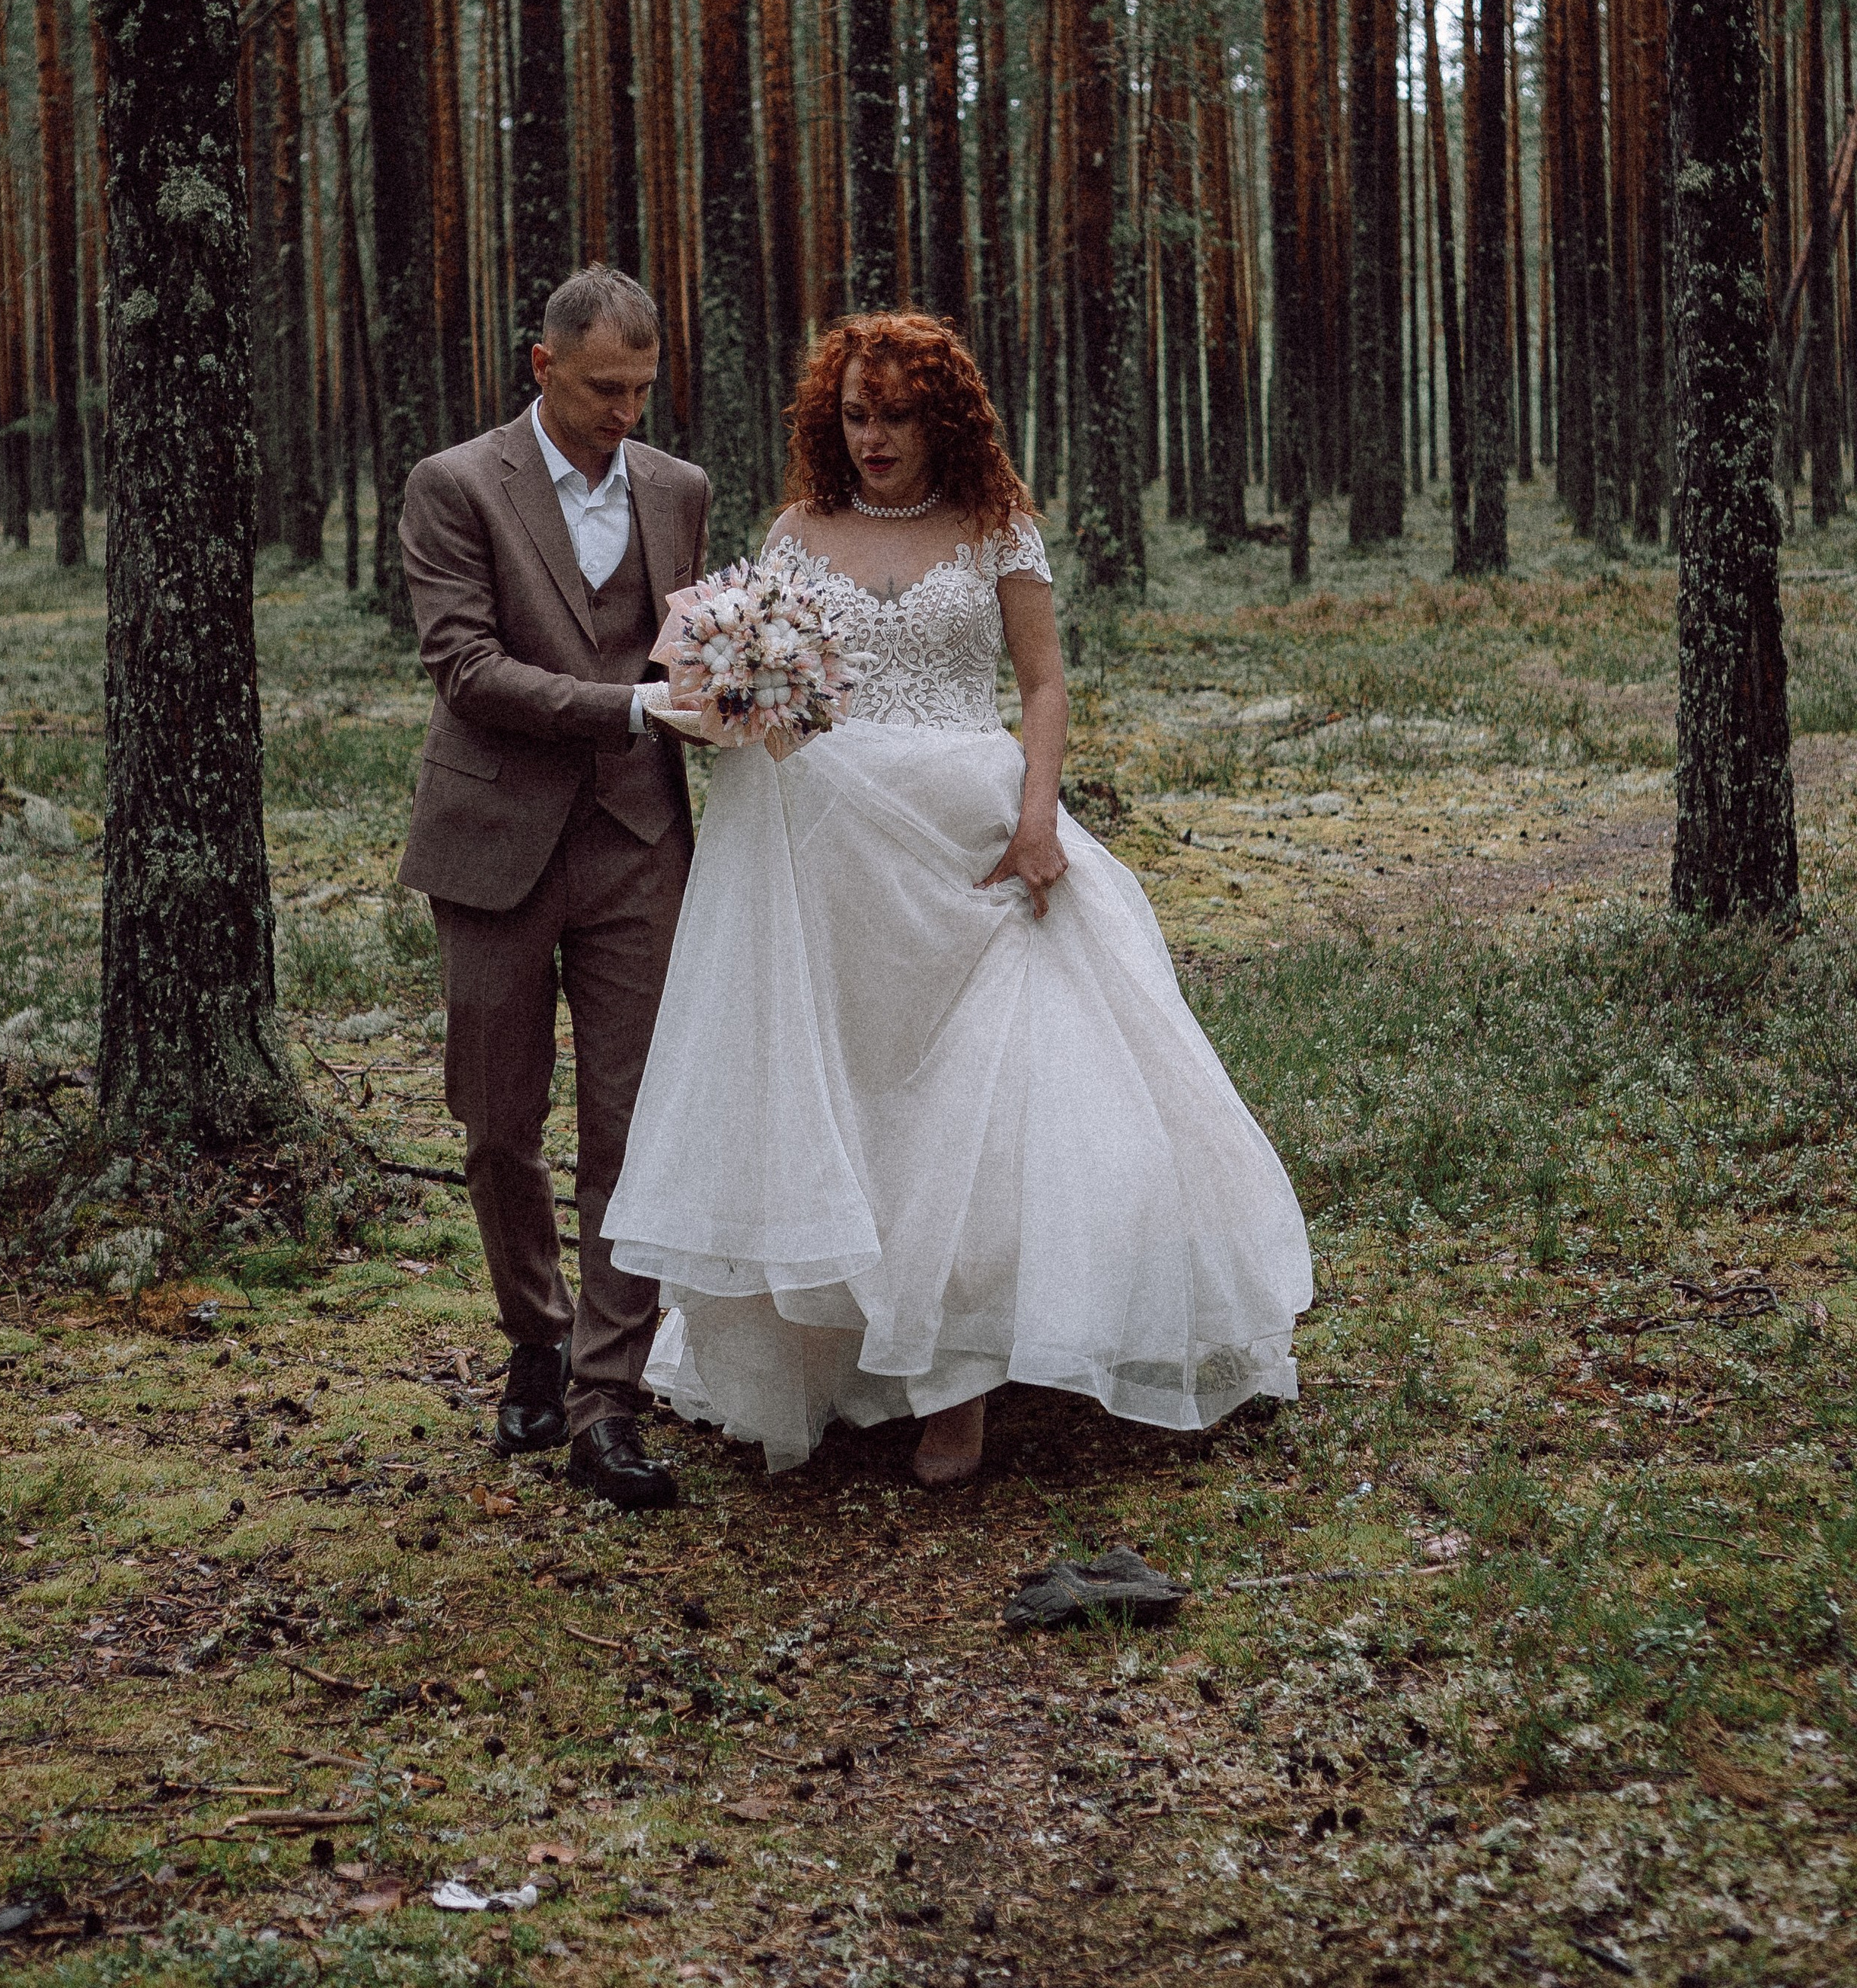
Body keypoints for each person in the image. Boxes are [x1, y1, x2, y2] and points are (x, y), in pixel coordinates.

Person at [605, 311, 1312, 1487]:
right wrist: (722, 699)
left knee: (988, 1104)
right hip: (827, 848)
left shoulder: (997, 531)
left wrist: (1041, 817)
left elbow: (1041, 683)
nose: (874, 439)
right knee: (849, 1097)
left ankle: (963, 1383)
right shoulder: (794, 533)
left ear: (946, 419)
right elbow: (755, 685)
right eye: (855, 417)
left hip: (972, 835)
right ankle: (842, 1358)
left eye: (897, 415)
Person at [397, 266, 708, 1511]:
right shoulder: (454, 485)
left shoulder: (677, 489)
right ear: (542, 367)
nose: (625, 412)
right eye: (601, 390)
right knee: (497, 1122)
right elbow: (463, 666)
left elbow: (688, 643)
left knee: (633, 1125)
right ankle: (533, 1330)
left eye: (641, 388)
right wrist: (630, 706)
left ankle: (607, 1398)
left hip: (640, 845)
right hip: (494, 844)